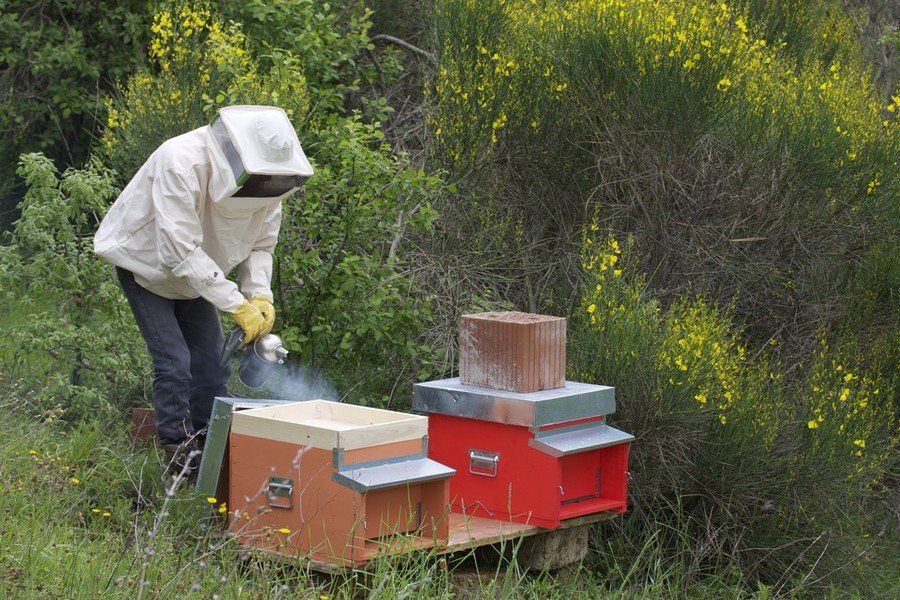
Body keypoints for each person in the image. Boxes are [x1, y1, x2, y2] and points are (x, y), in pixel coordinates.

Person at [94, 105, 313, 474]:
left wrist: (259, 295)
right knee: (174, 363)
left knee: (212, 365)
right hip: (147, 265)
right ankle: (178, 458)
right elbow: (177, 252)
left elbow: (261, 245)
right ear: (235, 153)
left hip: (201, 275)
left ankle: (209, 451)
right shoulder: (180, 161)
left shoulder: (270, 181)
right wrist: (235, 304)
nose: (265, 185)